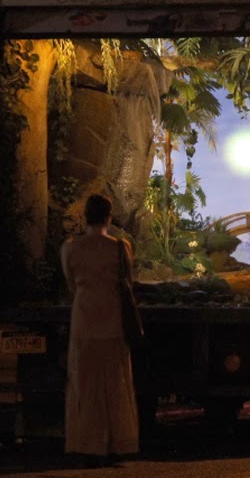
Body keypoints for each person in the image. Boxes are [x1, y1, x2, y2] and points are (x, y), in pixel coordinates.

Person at [61, 194, 139, 465]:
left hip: (83, 323)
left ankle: (85, 443)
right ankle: (118, 442)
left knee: (84, 387)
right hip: (113, 323)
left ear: (85, 217)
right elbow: (129, 282)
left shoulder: (70, 248)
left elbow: (71, 284)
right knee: (115, 386)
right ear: (109, 217)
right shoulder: (120, 247)